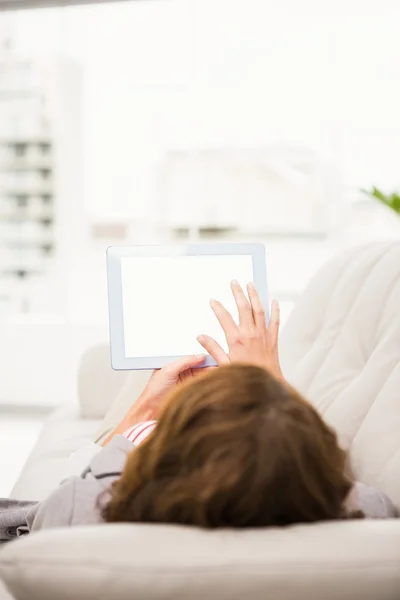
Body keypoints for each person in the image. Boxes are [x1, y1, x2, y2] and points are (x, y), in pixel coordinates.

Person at [0, 282, 397, 542]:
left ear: (166, 455)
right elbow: (331, 472)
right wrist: (271, 383)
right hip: (247, 456)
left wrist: (141, 413)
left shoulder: (80, 510)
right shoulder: (369, 516)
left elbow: (73, 488)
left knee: (154, 371)